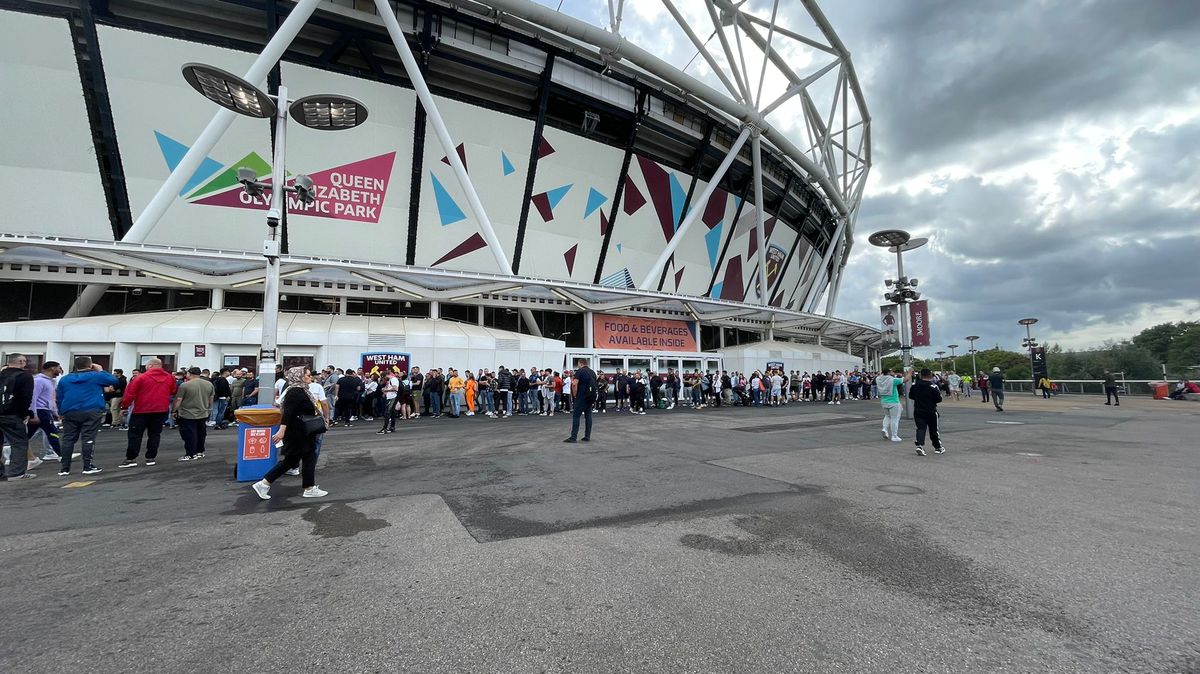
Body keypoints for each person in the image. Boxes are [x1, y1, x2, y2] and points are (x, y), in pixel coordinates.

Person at [251, 367, 327, 500]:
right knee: (302, 458)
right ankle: (309, 488)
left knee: (294, 459)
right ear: (299, 377)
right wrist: (281, 431)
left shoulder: (300, 390)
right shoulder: (296, 392)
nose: (311, 378)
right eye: (308, 375)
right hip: (297, 432)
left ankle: (265, 484)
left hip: (300, 431)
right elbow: (287, 413)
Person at [54, 356, 118, 476]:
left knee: (68, 439)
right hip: (91, 409)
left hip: (70, 410)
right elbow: (113, 380)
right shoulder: (96, 376)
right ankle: (87, 466)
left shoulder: (65, 379)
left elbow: (60, 397)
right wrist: (100, 369)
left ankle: (65, 468)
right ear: (90, 365)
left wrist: (60, 411)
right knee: (88, 438)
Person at [118, 358, 178, 468]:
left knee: (135, 435)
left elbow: (130, 393)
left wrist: (124, 407)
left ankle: (131, 458)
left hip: (142, 409)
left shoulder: (141, 377)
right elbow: (173, 391)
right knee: (155, 434)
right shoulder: (169, 377)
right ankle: (151, 457)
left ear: (150, 365)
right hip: (161, 409)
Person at [1, 353, 37, 480]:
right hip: (12, 414)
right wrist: (25, 414)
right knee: (19, 443)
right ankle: (16, 472)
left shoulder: (1, 374)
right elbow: (25, 397)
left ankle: (1, 473)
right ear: (21, 362)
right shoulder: (24, 377)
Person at [175, 367, 214, 461]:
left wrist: (174, 410)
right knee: (201, 433)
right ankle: (200, 451)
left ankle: (191, 454)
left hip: (187, 413)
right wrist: (208, 409)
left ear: (190, 374)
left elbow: (179, 399)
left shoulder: (185, 385)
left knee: (189, 434)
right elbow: (211, 398)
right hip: (203, 412)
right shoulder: (209, 384)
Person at [29, 361, 63, 461]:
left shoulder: (51, 381)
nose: (60, 370)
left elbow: (51, 399)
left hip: (45, 410)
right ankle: (60, 454)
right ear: (52, 368)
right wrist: (33, 414)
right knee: (52, 432)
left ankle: (9, 450)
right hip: (40, 410)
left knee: (28, 435)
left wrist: (55, 412)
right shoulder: (39, 381)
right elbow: (33, 398)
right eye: (58, 367)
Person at [908, 368, 945, 456]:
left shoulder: (914, 385)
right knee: (934, 430)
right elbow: (939, 399)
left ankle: (920, 445)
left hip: (918, 410)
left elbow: (911, 396)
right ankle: (938, 447)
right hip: (931, 410)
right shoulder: (933, 386)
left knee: (920, 428)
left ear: (921, 375)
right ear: (930, 375)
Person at [564, 359, 597, 443]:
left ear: (580, 364)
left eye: (578, 364)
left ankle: (573, 437)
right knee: (588, 416)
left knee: (576, 416)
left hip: (581, 397)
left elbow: (574, 384)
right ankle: (587, 436)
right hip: (590, 397)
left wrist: (574, 395)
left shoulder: (580, 371)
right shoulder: (592, 372)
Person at [876, 367, 905, 443]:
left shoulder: (878, 379)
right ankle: (894, 436)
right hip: (893, 401)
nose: (893, 372)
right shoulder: (892, 380)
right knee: (895, 418)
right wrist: (909, 372)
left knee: (887, 416)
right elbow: (905, 380)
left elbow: (881, 376)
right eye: (891, 371)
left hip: (884, 401)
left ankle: (885, 428)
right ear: (889, 372)